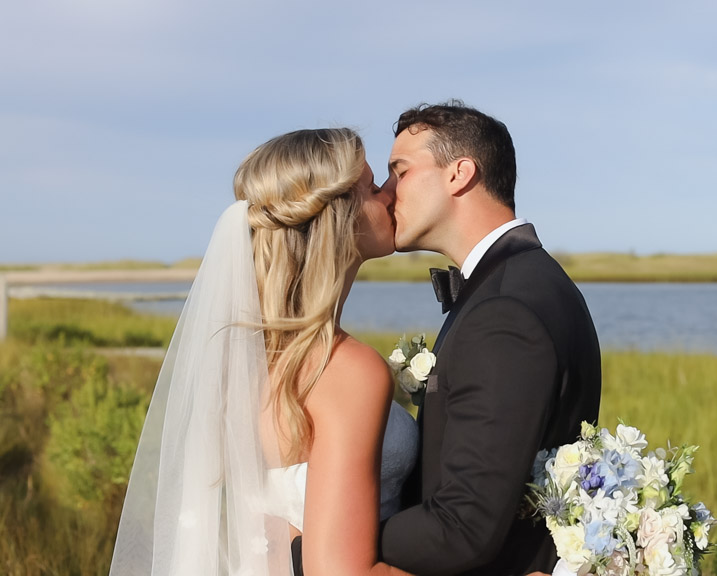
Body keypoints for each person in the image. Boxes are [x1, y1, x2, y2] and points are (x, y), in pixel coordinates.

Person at [301, 101, 603, 574]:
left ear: (459, 174)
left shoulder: (506, 310)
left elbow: (463, 527)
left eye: (400, 170)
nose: (386, 191)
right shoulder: (522, 281)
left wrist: (334, 541)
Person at [109, 128, 418, 576]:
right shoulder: (344, 369)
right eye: (372, 186)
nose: (389, 194)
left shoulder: (247, 362)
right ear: (340, 216)